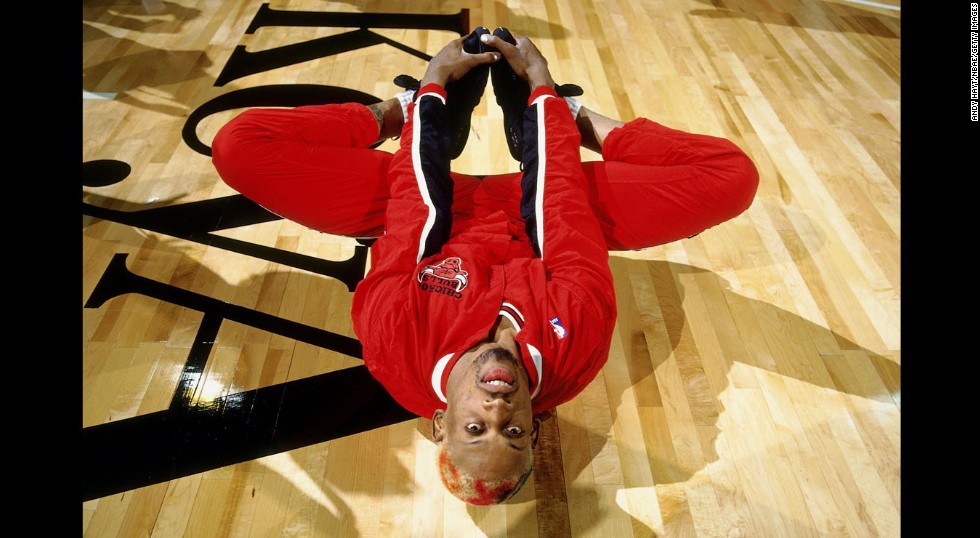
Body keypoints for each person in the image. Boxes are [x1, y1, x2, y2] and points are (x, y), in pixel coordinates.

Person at [211, 27, 759, 506]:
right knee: (730, 177)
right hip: (538, 213)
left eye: (476, 428)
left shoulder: (393, 344)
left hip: (430, 210)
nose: (498, 408)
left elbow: (415, 211)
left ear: (439, 423)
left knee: (239, 147)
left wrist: (428, 97)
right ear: (535, 429)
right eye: (514, 431)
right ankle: (577, 117)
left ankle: (391, 110)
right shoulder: (577, 351)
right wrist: (545, 97)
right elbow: (561, 215)